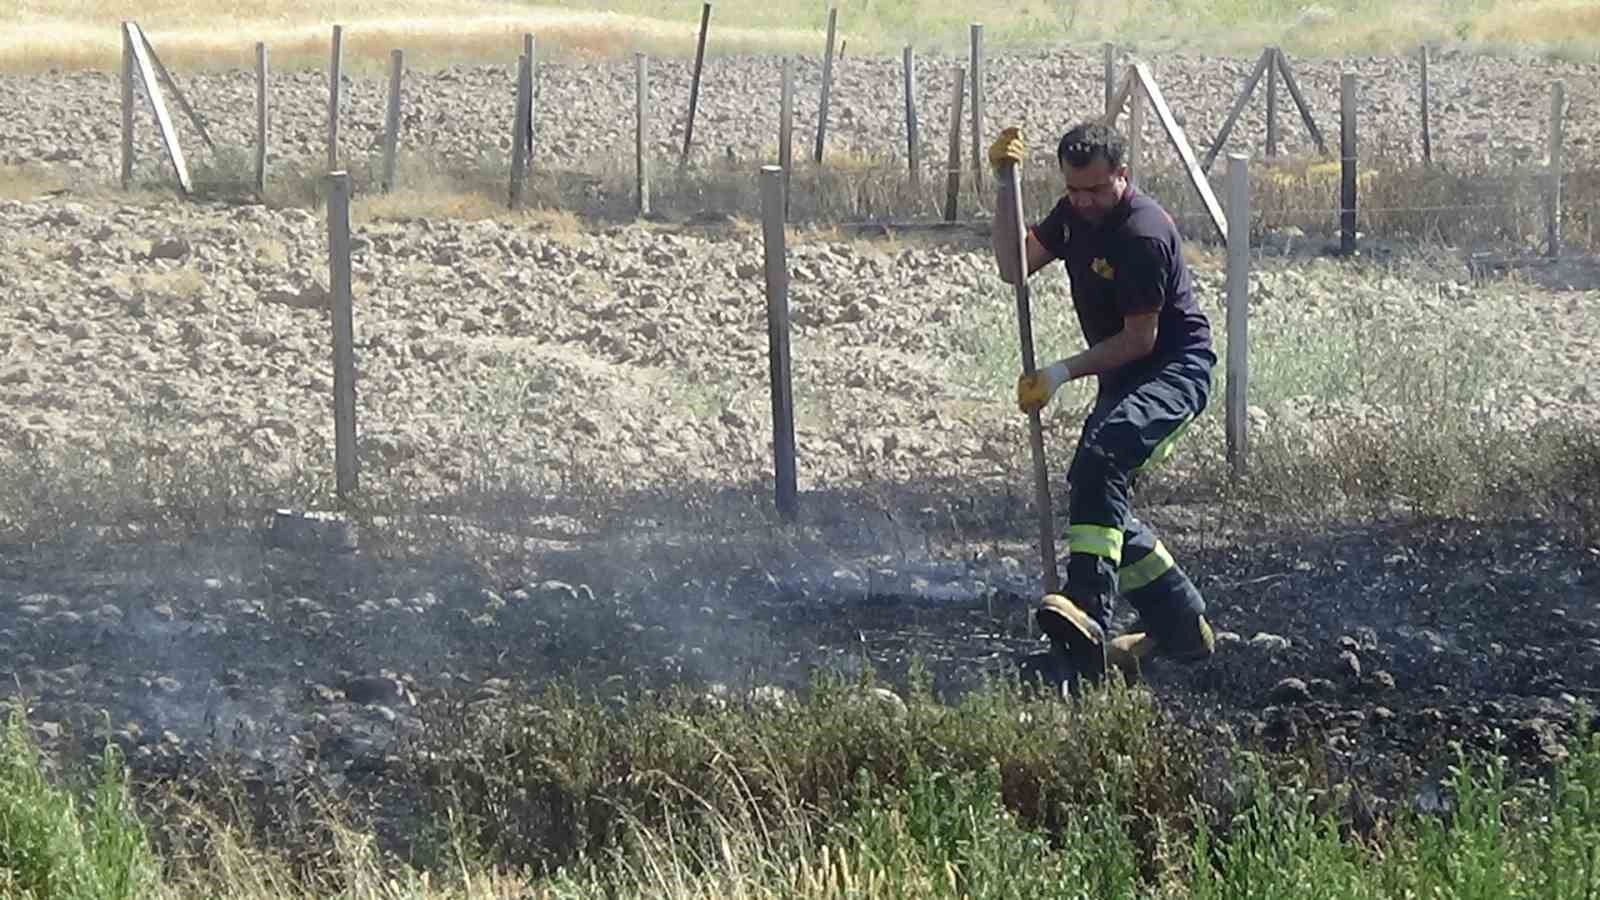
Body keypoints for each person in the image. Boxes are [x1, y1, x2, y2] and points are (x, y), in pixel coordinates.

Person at [987, 121, 1217, 687]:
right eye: (1074, 190)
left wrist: (1060, 372)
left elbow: (1141, 340)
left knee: (1100, 463)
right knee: (1096, 492)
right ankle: (1180, 619)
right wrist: (1001, 185)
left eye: (1096, 189)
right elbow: (1013, 266)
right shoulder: (1073, 217)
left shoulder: (1142, 231)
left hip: (1172, 372)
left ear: (1123, 174)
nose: (1084, 201)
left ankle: (1088, 609)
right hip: (1122, 380)